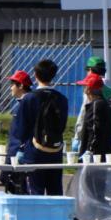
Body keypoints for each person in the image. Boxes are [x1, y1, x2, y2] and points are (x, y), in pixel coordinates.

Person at [12, 58, 68, 196]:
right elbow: (62, 125)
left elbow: (21, 128)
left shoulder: (29, 98)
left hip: (33, 152)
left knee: (35, 194)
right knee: (55, 192)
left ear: (35, 75)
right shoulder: (62, 99)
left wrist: (18, 150)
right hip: (55, 150)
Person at [72, 55, 111, 152]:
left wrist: (77, 136)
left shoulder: (92, 86)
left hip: (94, 133)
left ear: (90, 69)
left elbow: (84, 113)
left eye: (87, 69)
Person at [1, 70, 32, 194]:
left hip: (19, 151)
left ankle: (24, 204)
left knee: (18, 184)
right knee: (6, 179)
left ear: (21, 86)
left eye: (12, 84)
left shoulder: (28, 102)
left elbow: (29, 129)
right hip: (13, 150)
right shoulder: (20, 103)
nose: (10, 88)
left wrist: (22, 149)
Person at [76, 73, 111, 159]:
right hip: (103, 151)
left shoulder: (96, 105)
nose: (84, 90)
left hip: (94, 155)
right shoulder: (104, 103)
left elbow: (94, 130)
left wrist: (88, 151)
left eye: (85, 87)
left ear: (89, 89)